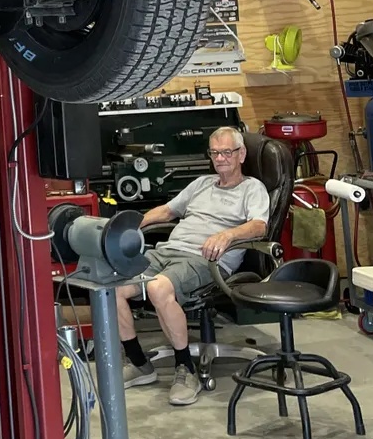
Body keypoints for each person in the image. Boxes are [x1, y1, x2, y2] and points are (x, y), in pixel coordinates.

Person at [115, 126, 269, 407]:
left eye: (227, 152)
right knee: (114, 286)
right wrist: (130, 225)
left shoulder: (252, 188)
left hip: (207, 260)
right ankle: (139, 363)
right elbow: (167, 211)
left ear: (242, 154)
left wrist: (227, 235)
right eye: (214, 153)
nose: (220, 158)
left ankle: (186, 369)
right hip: (168, 251)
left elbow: (259, 226)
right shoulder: (201, 184)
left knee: (158, 288)